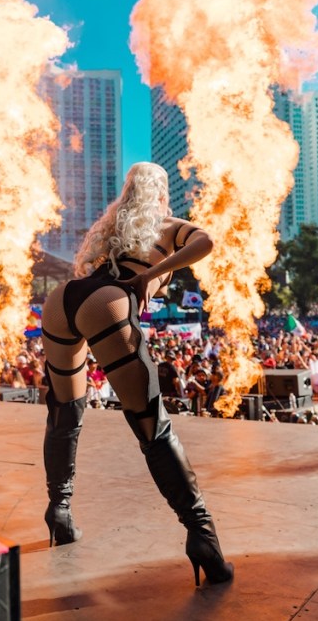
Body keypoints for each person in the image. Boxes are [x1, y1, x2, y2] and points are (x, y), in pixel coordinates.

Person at [39, 162, 233, 587]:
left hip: (63, 300)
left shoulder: (112, 228)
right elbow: (206, 241)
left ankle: (60, 511)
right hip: (109, 301)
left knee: (64, 410)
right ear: (160, 193)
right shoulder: (168, 225)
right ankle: (203, 537)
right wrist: (151, 274)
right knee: (152, 427)